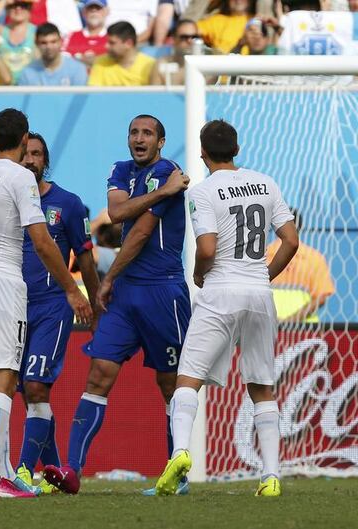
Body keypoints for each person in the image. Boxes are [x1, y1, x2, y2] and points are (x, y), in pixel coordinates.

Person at [0, 108, 93, 498]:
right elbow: (41, 241)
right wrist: (72, 289)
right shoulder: (21, 177)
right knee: (5, 378)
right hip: (3, 280)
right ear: (24, 139)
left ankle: (3, 469)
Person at [43, 115, 191, 496]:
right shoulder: (122, 170)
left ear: (161, 142)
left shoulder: (168, 169)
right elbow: (119, 213)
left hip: (163, 291)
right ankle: (72, 470)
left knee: (170, 384)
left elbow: (141, 232)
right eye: (134, 132)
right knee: (98, 375)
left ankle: (177, 475)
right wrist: (162, 193)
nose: (139, 138)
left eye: (147, 134)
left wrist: (106, 281)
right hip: (126, 294)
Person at [154, 119, 299, 497]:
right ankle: (270, 477)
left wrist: (201, 275)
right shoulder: (265, 183)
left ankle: (181, 452)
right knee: (262, 386)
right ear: (237, 149)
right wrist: (264, 274)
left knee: (188, 379)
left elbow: (205, 249)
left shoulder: (202, 192)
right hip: (258, 292)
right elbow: (291, 240)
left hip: (220, 291)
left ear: (202, 152)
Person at [12, 132, 101, 494]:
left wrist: (96, 305)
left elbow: (84, 257)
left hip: (51, 307)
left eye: (36, 154)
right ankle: (55, 473)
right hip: (13, 307)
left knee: (36, 386)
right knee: (28, 392)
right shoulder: (6, 200)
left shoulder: (68, 203)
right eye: (25, 154)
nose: (30, 160)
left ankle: (20, 470)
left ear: (44, 160)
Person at [265, 208, 334, 323]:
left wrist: (288, 321)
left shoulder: (264, 256)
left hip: (274, 326)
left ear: (275, 227)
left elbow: (321, 298)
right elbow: (321, 298)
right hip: (303, 331)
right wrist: (292, 321)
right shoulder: (314, 257)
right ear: (300, 227)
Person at [0, 0, 37, 83]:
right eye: (13, 6)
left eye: (23, 5)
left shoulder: (36, 32)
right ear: (7, 9)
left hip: (29, 88)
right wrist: (3, 2)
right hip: (4, 88)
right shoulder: (0, 31)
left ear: (30, 9)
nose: (18, 8)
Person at [17, 23, 87, 86]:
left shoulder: (77, 69)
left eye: (53, 42)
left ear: (60, 42)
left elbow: (79, 98)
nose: (49, 47)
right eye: (44, 43)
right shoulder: (28, 72)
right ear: (37, 44)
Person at [88, 21, 155, 86]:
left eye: (112, 43)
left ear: (129, 43)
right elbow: (93, 93)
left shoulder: (149, 65)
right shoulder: (101, 62)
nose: (106, 46)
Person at [149, 19, 199, 86]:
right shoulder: (161, 65)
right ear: (173, 39)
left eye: (194, 37)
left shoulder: (206, 65)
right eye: (184, 37)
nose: (190, 41)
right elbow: (154, 95)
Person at [63, 0, 109, 68]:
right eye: (90, 9)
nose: (94, 12)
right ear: (83, 12)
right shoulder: (71, 36)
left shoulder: (113, 37)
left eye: (98, 9)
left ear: (106, 12)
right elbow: (62, 59)